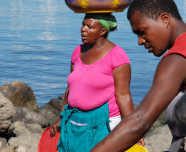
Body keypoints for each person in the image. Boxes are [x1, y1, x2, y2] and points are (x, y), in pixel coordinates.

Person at [91, 0, 186, 152]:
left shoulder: (177, 59)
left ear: (164, 19)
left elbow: (141, 120)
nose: (140, 41)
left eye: (142, 32)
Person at [50, 13, 144, 151]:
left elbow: (123, 95)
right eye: (83, 24)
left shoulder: (117, 55)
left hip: (104, 124)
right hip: (75, 121)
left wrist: (132, 128)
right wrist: (62, 117)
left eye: (89, 26)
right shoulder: (78, 51)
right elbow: (71, 87)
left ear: (103, 31)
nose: (83, 29)